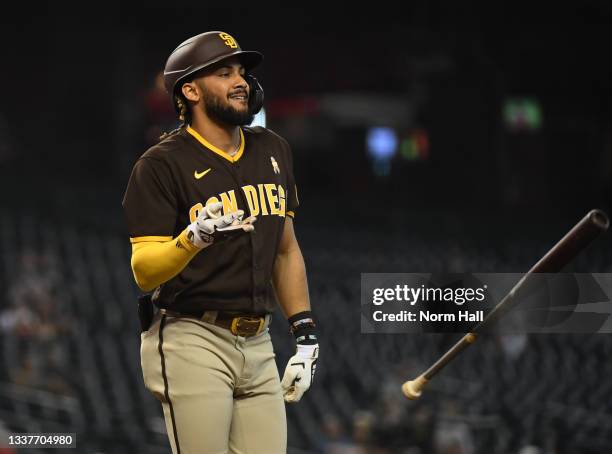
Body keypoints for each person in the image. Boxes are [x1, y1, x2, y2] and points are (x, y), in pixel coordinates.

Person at [122, 31, 319, 454]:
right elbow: (143, 269)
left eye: (243, 72)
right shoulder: (160, 164)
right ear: (190, 90)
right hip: (192, 335)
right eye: (224, 72)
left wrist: (304, 335)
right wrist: (190, 241)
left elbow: (285, 250)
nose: (241, 81)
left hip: (258, 341)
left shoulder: (273, 149)